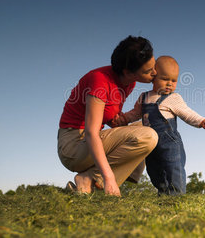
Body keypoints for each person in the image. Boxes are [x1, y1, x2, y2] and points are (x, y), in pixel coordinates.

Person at [57, 36, 158, 196]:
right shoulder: (100, 81)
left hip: (91, 139)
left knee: (149, 125)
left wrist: (134, 114)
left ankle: (90, 182)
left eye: (154, 66)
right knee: (148, 136)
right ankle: (91, 179)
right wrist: (109, 177)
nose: (155, 73)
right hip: (73, 145)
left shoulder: (128, 83)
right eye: (148, 71)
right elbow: (91, 132)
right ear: (128, 72)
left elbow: (113, 121)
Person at [122, 56, 205, 195]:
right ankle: (163, 193)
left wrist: (201, 121)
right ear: (153, 77)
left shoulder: (173, 98)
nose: (169, 84)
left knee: (173, 168)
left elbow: (187, 113)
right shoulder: (144, 97)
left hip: (169, 142)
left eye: (173, 80)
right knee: (154, 170)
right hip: (152, 144)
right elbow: (135, 113)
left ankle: (176, 195)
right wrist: (123, 119)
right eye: (165, 79)